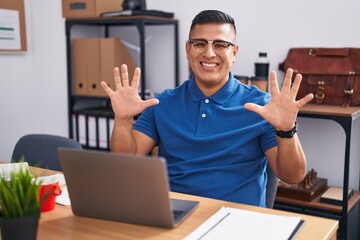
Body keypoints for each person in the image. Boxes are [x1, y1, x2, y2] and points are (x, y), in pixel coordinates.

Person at [101, 10, 314, 207]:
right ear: (188, 49)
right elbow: (126, 161)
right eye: (200, 44)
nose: (209, 53)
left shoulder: (262, 106)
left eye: (220, 45)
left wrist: (286, 130)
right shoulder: (162, 103)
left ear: (234, 52)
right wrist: (123, 120)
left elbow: (293, 176)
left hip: (239, 221)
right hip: (176, 216)